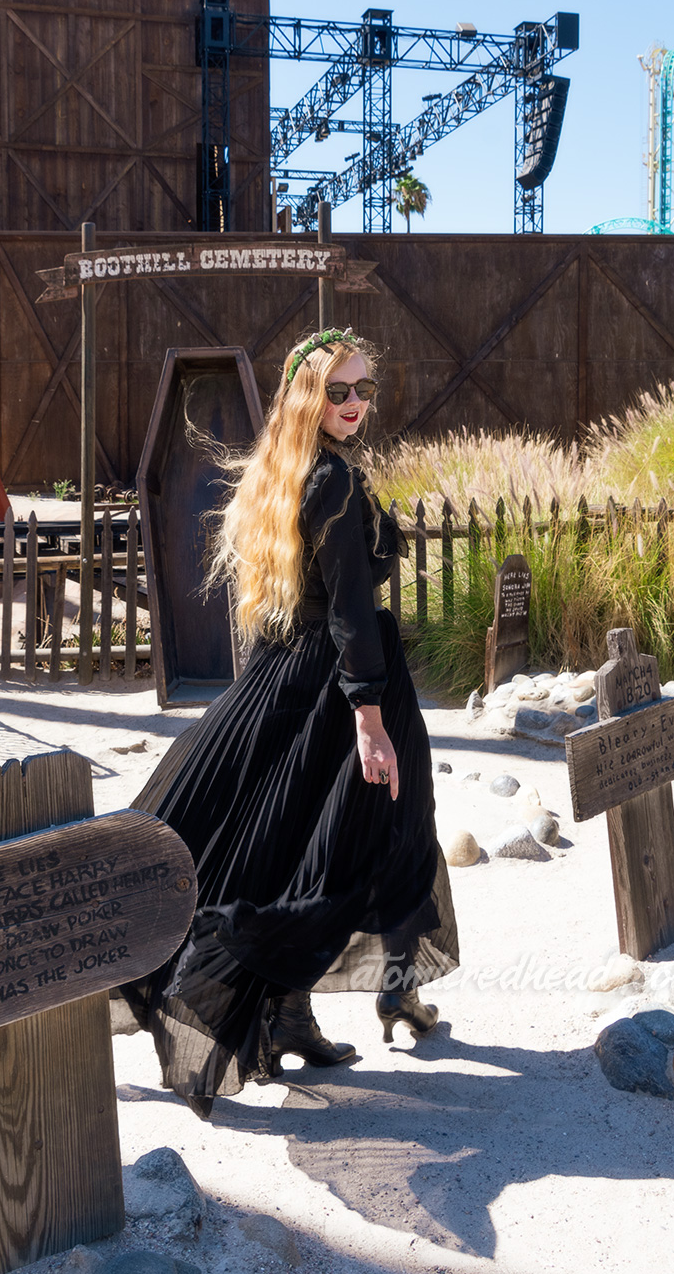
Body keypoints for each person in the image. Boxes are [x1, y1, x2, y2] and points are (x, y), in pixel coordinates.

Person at [118, 326, 459, 1117]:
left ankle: (294, 1015)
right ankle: (373, 999)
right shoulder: (330, 480)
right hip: (346, 688)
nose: (353, 404)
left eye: (364, 389)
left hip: (293, 679)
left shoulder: (287, 471)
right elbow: (347, 610)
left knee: (296, 849)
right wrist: (368, 717)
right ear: (305, 395)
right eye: (337, 390)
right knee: (378, 843)